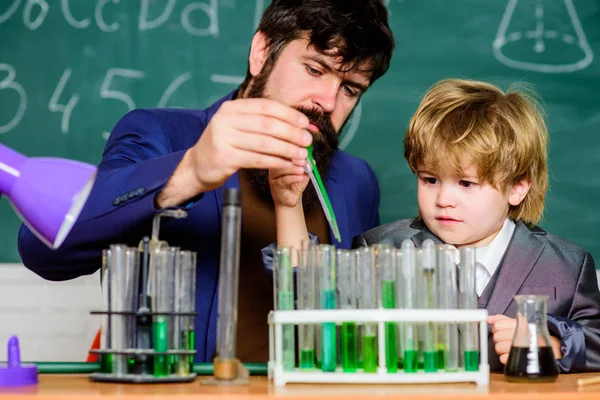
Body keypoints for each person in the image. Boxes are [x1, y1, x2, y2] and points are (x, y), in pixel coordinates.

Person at [17, 0, 394, 363]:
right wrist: (190, 171)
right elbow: (43, 251)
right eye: (315, 69)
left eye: (350, 89)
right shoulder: (163, 135)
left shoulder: (356, 181)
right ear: (262, 51)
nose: (328, 101)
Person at [351, 79, 600, 372]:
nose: (443, 199)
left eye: (466, 183)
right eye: (430, 179)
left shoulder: (567, 266)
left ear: (517, 188)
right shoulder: (380, 250)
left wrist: (554, 343)